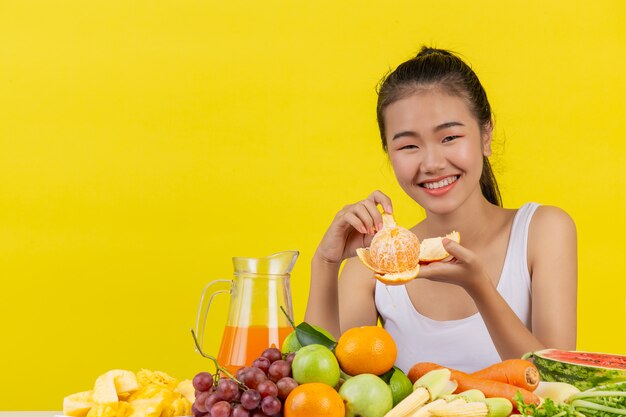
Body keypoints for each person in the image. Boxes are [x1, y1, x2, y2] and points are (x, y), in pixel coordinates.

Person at [304, 47, 577, 373]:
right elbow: (322, 390)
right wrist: (325, 262)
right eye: (408, 146)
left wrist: (480, 289)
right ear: (389, 153)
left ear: (485, 134)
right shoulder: (372, 266)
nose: (432, 163)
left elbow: (558, 385)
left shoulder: (542, 231)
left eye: (449, 137)